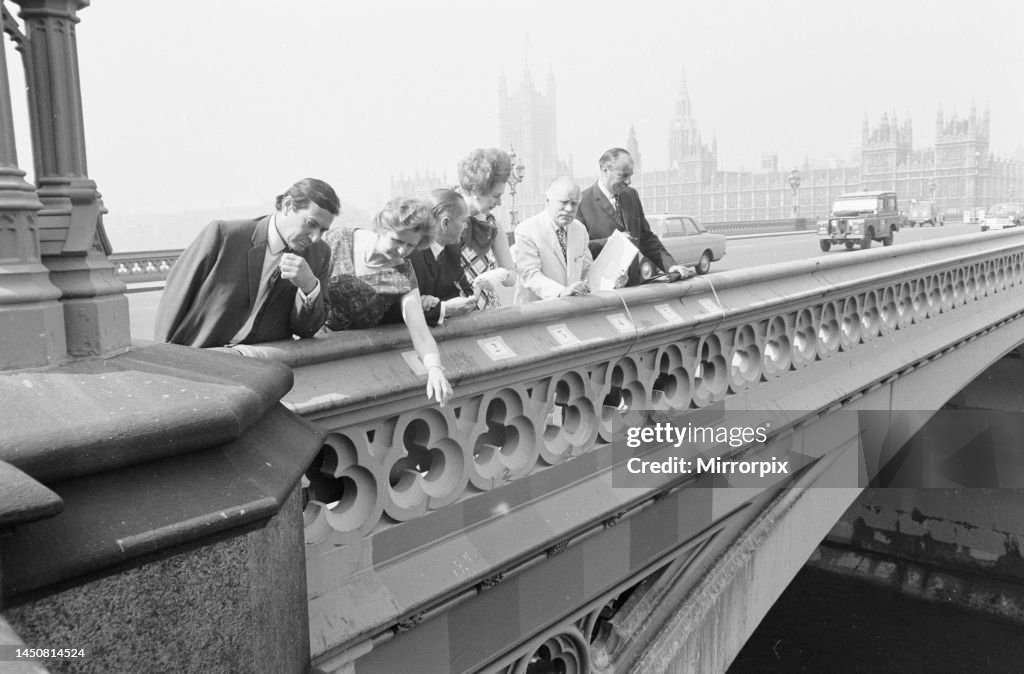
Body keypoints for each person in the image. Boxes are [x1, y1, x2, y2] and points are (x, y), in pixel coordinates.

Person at [155, 178, 339, 348]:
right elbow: (174, 302)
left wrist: (309, 287)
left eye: (322, 230)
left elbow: (306, 330)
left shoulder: (319, 254)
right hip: (201, 358)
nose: (315, 237)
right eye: (311, 223)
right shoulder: (224, 236)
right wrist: (163, 358)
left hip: (260, 368)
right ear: (288, 205)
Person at [322, 198, 453, 406]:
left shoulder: (403, 274)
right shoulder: (336, 239)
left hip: (352, 363)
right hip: (310, 348)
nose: (402, 251)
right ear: (382, 229)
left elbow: (420, 332)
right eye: (398, 241)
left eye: (411, 245)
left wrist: (435, 370)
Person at [576, 148, 694, 284]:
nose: (629, 181)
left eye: (630, 175)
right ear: (605, 170)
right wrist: (611, 242)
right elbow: (578, 251)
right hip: (601, 291)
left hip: (632, 286)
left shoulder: (631, 195)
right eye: (623, 175)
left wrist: (670, 265)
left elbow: (645, 237)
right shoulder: (581, 202)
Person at [512, 177, 593, 304]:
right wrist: (561, 292)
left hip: (572, 311)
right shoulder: (527, 230)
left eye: (574, 204)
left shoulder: (580, 230)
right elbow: (530, 275)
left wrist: (612, 279)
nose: (569, 209)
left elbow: (588, 270)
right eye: (563, 202)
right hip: (537, 312)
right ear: (547, 201)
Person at [456, 148, 518, 308]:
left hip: (485, 310)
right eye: (496, 196)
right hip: (451, 312)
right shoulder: (445, 219)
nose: (499, 203)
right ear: (476, 190)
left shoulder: (493, 225)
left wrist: (500, 275)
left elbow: (511, 276)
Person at [408, 188, 478, 325]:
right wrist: (444, 308)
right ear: (445, 223)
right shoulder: (411, 253)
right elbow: (398, 310)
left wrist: (435, 303)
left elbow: (466, 294)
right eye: (463, 221)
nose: (465, 226)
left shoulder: (452, 250)